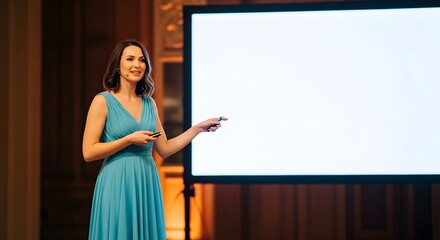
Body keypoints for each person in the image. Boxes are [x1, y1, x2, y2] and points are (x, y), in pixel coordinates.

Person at [82, 39, 226, 240]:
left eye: (141, 60)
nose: (137, 65)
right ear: (118, 65)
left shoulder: (149, 103)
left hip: (146, 177)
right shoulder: (103, 101)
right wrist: (128, 140)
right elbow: (88, 152)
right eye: (130, 59)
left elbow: (165, 148)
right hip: (116, 180)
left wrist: (197, 129)